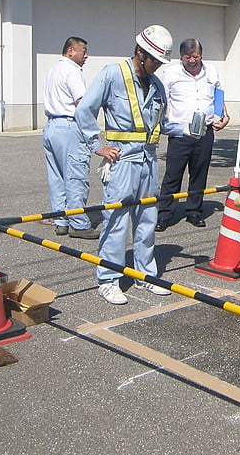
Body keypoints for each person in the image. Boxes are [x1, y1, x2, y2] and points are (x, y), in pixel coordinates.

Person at [76, 25, 179, 305]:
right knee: (116, 221)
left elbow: (163, 122)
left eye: (160, 61)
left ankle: (145, 274)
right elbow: (85, 109)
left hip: (148, 159)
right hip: (122, 161)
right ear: (139, 52)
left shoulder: (156, 84)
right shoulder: (113, 73)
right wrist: (97, 146)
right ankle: (108, 280)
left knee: (147, 220)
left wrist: (193, 127)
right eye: (154, 60)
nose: (157, 66)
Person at [156, 39, 229, 231]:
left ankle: (194, 211)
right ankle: (164, 214)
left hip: (205, 130)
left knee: (199, 173)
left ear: (201, 55)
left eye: (195, 56)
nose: (192, 61)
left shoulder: (211, 71)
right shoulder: (171, 73)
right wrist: (164, 123)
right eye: (187, 57)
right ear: (181, 57)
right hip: (180, 132)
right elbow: (162, 99)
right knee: (173, 175)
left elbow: (218, 95)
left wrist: (223, 115)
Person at [42, 37, 98, 238]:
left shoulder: (53, 70)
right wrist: (92, 132)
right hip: (68, 126)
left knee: (57, 176)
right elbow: (81, 105)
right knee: (76, 176)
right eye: (83, 51)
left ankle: (61, 220)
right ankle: (79, 224)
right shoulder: (72, 71)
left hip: (51, 126)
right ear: (70, 51)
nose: (86, 56)